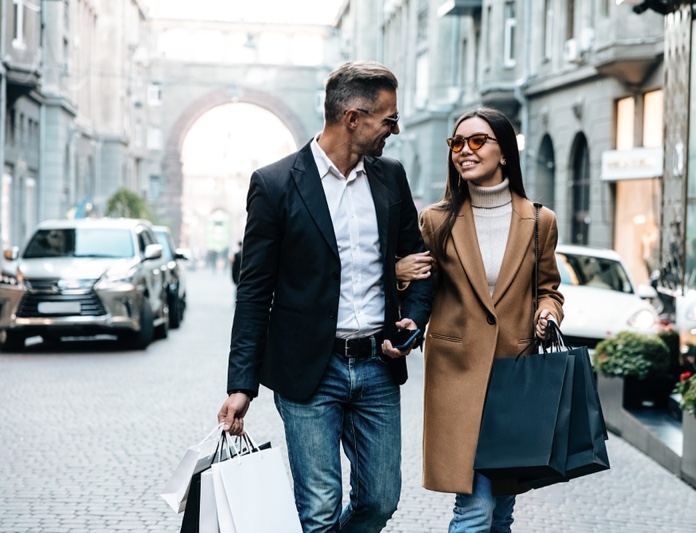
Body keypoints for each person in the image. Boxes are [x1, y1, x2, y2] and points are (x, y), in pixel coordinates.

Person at [217, 60, 434, 533]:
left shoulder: (390, 177)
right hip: (309, 370)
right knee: (318, 510)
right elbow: (254, 292)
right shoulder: (274, 185)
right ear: (354, 118)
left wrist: (413, 322)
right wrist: (241, 385)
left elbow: (418, 264)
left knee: (380, 500)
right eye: (389, 119)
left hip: (377, 364)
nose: (395, 130)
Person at [398, 107, 564, 531]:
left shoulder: (539, 221)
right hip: (458, 376)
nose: (464, 151)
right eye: (457, 143)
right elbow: (424, 288)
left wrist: (547, 311)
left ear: (505, 151)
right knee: (475, 510)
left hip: (515, 376)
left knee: (502, 512)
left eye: (477, 141)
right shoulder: (437, 220)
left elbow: (548, 288)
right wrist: (409, 315)